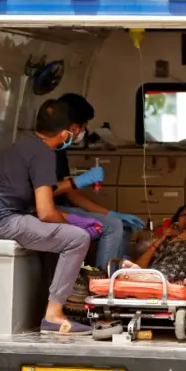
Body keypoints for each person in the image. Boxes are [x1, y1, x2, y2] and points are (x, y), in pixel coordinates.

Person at [0, 99, 99, 335]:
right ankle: (53, 316)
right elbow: (47, 212)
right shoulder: (44, 154)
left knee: (63, 239)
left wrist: (67, 221)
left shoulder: (24, 145)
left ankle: (51, 307)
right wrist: (73, 226)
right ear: (65, 133)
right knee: (77, 239)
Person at [53, 93, 145, 268]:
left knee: (124, 226)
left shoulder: (59, 151)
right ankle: (102, 283)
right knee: (112, 226)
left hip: (62, 205)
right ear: (72, 125)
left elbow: (71, 194)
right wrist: (77, 181)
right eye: (82, 127)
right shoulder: (45, 150)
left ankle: (117, 274)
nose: (81, 133)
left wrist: (110, 213)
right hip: (48, 208)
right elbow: (42, 193)